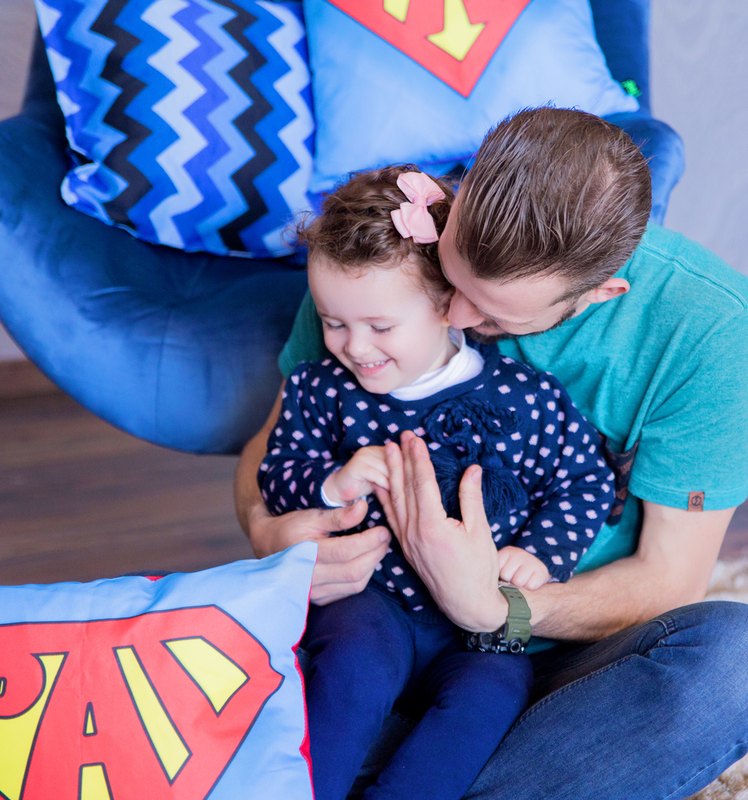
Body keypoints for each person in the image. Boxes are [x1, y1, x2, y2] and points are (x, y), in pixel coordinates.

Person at [234, 108, 748, 799]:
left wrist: (495, 609)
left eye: (495, 315)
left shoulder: (712, 327)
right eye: (449, 281)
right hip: (368, 628)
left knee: (746, 660)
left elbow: (669, 579)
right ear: (459, 194)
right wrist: (274, 535)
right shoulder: (392, 242)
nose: (459, 319)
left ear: (600, 294)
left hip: (542, 658)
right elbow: (273, 452)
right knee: (347, 683)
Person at [259, 165, 616, 800]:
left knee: (495, 694)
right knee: (352, 667)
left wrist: (538, 554)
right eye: (332, 321)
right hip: (374, 604)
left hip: (477, 621)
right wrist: (333, 485)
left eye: (379, 326)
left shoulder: (526, 398)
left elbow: (586, 482)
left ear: (448, 306)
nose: (353, 346)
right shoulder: (322, 390)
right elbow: (277, 472)